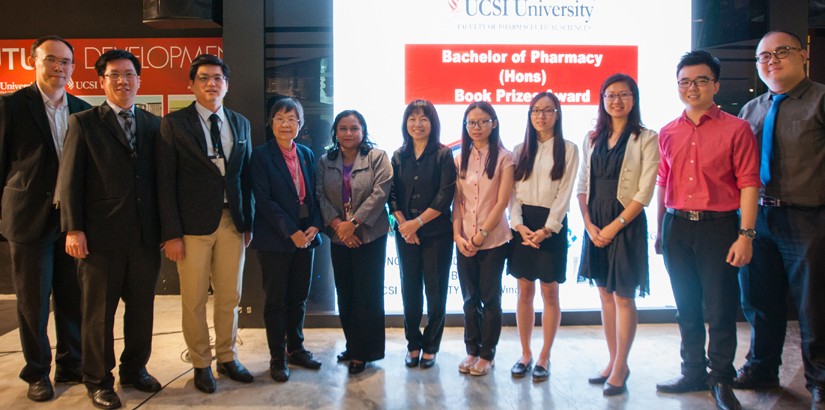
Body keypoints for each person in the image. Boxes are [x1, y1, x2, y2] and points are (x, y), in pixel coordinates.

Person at [654, 50, 759, 410]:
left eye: (700, 80)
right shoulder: (668, 132)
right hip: (677, 227)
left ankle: (721, 379)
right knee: (686, 307)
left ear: (716, 84)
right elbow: (663, 185)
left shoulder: (737, 129)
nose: (692, 87)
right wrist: (659, 231)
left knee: (719, 308)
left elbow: (749, 184)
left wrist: (746, 236)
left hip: (719, 228)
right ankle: (693, 372)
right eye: (685, 81)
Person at [59, 50, 162, 409]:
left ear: (139, 80)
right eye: (114, 74)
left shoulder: (153, 125)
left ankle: (135, 369)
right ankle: (98, 379)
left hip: (145, 238)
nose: (123, 81)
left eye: (129, 74)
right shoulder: (84, 123)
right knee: (97, 315)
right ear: (102, 80)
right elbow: (69, 181)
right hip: (100, 239)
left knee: (141, 310)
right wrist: (74, 228)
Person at [736, 30, 825, 408]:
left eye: (781, 52)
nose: (771, 60)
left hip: (809, 219)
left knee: (814, 305)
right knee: (759, 301)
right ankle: (762, 367)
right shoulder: (751, 110)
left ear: (804, 55)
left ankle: (820, 378)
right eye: (763, 57)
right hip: (759, 221)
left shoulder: (821, 100)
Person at [156, 54, 254, 393]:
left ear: (227, 84)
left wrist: (248, 222)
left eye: (217, 78)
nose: (211, 83)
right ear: (192, 84)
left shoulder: (241, 123)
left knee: (230, 296)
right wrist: (171, 233)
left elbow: (245, 177)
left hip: (233, 223)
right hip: (191, 228)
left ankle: (228, 356)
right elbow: (164, 183)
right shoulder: (174, 123)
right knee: (194, 300)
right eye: (203, 78)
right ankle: (201, 363)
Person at [0, 35, 88, 402]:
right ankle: (37, 372)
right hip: (28, 220)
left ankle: (72, 364)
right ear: (34, 62)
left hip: (70, 221)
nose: (59, 67)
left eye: (66, 62)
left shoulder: (82, 110)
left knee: (72, 298)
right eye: (51, 60)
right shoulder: (11, 106)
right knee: (33, 303)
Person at [576, 74, 659, 396]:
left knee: (624, 296)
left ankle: (622, 364)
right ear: (602, 100)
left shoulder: (646, 138)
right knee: (604, 294)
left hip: (625, 224)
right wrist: (588, 223)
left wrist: (613, 226)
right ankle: (611, 360)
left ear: (634, 99)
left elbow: (645, 191)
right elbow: (583, 184)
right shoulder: (592, 137)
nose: (616, 101)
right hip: (594, 221)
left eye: (623, 95)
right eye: (610, 95)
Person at [250, 97, 323, 383]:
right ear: (271, 122)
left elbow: (316, 195)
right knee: (276, 301)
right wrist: (290, 231)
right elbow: (264, 200)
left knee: (299, 297)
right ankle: (277, 357)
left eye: (292, 118)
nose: (285, 124)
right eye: (280, 118)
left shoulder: (306, 153)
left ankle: (296, 348)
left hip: (305, 237)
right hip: (276, 240)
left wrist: (315, 225)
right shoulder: (261, 155)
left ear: (300, 123)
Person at [508, 92, 577, 383]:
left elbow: (565, 192)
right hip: (523, 227)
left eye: (548, 111)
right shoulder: (519, 148)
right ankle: (525, 353)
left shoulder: (569, 149)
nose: (541, 116)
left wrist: (547, 228)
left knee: (550, 292)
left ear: (557, 114)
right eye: (536, 110)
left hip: (552, 225)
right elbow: (510, 193)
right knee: (524, 291)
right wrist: (519, 225)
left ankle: (545, 356)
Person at [316, 110, 392, 375]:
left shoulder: (377, 157)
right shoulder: (326, 160)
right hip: (339, 239)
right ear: (335, 132)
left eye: (354, 128)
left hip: (369, 236)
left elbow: (381, 192)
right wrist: (339, 226)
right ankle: (352, 344)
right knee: (346, 293)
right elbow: (319, 195)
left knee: (367, 295)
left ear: (363, 131)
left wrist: (354, 224)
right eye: (343, 128)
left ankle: (364, 352)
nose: (348, 133)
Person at [389, 100, 456, 369]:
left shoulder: (443, 154)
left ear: (433, 123)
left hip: (437, 234)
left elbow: (444, 197)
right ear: (406, 124)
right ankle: (413, 343)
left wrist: (416, 223)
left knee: (436, 292)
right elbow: (391, 195)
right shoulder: (398, 155)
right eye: (412, 119)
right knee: (410, 291)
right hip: (406, 234)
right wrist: (405, 225)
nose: (417, 124)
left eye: (423, 119)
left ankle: (431, 345)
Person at [454, 101, 514, 377]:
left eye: (482, 122)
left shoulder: (504, 158)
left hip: (493, 240)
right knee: (469, 299)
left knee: (490, 299)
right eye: (471, 123)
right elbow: (457, 203)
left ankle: (487, 353)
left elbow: (502, 201)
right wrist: (458, 234)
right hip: (464, 238)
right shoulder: (459, 158)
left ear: (494, 123)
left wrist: (481, 235)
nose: (476, 127)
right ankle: (472, 349)